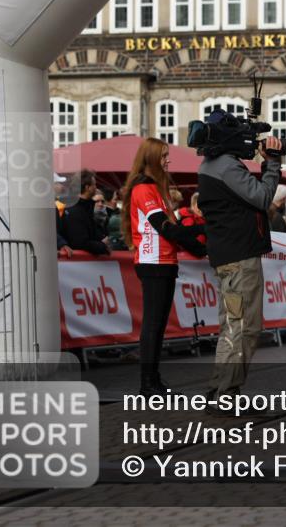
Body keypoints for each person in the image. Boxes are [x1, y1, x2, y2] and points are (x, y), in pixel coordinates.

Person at [197, 112, 283, 411]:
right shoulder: (226, 167)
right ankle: (226, 395)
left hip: (228, 258)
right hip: (240, 259)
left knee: (231, 325)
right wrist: (272, 164)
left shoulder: (211, 164)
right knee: (244, 326)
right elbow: (261, 197)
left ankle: (220, 388)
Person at [120, 138, 206, 396]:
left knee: (157, 325)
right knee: (153, 324)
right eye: (164, 156)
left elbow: (171, 230)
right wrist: (203, 237)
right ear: (151, 159)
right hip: (153, 261)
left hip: (163, 261)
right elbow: (164, 227)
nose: (168, 160)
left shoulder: (155, 188)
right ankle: (148, 383)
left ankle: (153, 381)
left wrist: (201, 246)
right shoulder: (144, 188)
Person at [63, 169, 111, 255]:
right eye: (94, 185)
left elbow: (91, 232)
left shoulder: (86, 207)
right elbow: (80, 242)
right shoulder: (75, 210)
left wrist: (101, 239)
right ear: (87, 187)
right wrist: (102, 245)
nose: (96, 188)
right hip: (78, 265)